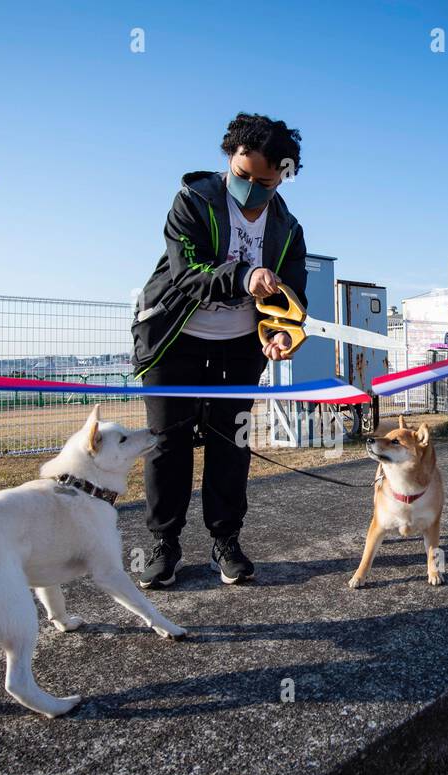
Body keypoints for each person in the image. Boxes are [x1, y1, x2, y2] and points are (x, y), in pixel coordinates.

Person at [130, 113, 306, 588]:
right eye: (241, 174)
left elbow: (293, 295)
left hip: (239, 347)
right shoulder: (193, 200)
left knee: (233, 441)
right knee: (169, 442)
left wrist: (280, 332)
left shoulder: (288, 226)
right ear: (229, 159)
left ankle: (225, 541)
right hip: (175, 339)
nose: (250, 187)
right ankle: (164, 544)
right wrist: (245, 275)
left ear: (283, 176)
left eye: (264, 181)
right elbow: (187, 272)